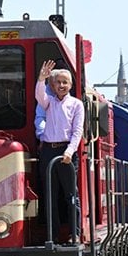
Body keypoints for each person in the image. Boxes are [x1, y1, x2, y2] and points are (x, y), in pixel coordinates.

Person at [36, 60, 84, 242]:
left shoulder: (76, 105)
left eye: (65, 82)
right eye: (58, 82)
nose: (62, 85)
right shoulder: (49, 103)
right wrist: (41, 79)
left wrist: (70, 152)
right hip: (49, 150)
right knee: (50, 195)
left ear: (70, 85)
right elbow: (40, 96)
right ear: (53, 86)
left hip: (66, 151)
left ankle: (75, 233)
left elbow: (77, 131)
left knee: (71, 194)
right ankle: (52, 235)